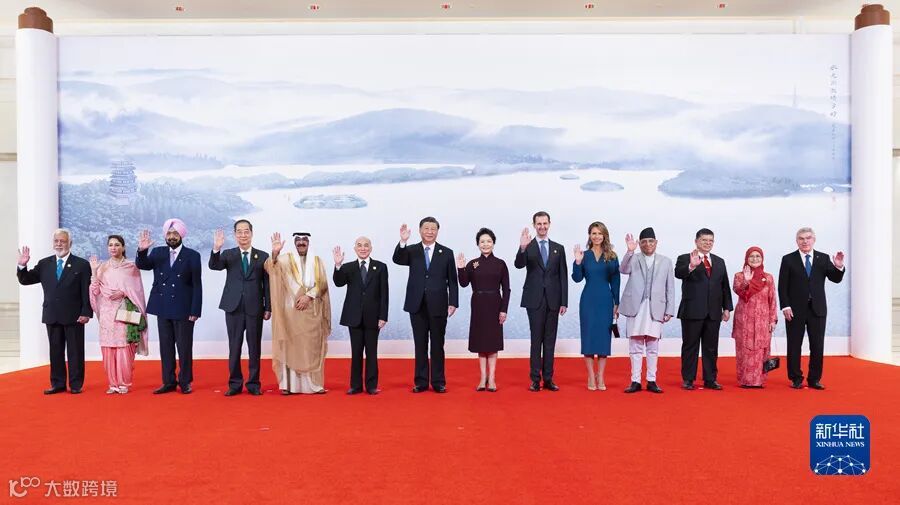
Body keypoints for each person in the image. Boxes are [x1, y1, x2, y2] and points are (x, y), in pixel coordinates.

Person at [16, 229, 92, 394]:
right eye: (56, 241)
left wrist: (86, 312)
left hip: (74, 315)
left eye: (62, 241)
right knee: (55, 351)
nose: (59, 244)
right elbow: (26, 280)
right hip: (52, 314)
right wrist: (22, 265)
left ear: (70, 243)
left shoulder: (81, 264)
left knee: (75, 352)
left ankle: (75, 384)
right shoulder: (44, 264)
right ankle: (57, 383)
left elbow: (86, 291)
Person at [135, 218, 203, 395]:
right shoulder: (158, 252)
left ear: (181, 235)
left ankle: (185, 382)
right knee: (165, 347)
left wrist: (195, 310)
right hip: (163, 306)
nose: (171, 236)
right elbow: (143, 265)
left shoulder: (193, 255)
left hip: (184, 308)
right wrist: (142, 251)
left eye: (175, 233)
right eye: (169, 233)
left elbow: (197, 285)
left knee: (184, 347)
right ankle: (168, 381)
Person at [393, 217, 458, 393]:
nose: (429, 232)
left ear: (437, 231)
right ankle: (421, 382)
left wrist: (453, 302)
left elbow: (452, 280)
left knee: (437, 345)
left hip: (439, 304)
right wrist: (403, 242)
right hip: (417, 304)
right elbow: (397, 259)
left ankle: (438, 382)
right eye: (426, 228)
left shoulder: (446, 252)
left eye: (433, 229)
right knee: (420, 344)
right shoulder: (412, 250)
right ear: (420, 230)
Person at [209, 220, 271, 396]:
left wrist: (268, 307)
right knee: (234, 347)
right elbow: (214, 266)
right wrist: (216, 249)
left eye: (246, 232)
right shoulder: (229, 254)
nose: (243, 235)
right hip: (233, 307)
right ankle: (235, 384)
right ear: (235, 234)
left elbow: (267, 284)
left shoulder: (263, 256)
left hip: (255, 308)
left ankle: (253, 384)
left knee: (254, 348)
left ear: (251, 233)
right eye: (239, 232)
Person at [778, 227, 845, 390]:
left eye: (808, 238)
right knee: (794, 345)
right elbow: (782, 286)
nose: (805, 241)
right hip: (794, 310)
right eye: (801, 238)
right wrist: (785, 306)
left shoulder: (823, 258)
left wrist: (838, 267)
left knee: (817, 345)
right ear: (797, 241)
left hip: (818, 309)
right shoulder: (788, 259)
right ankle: (796, 378)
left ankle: (814, 379)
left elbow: (835, 279)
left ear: (814, 240)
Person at [265, 232, 331, 394]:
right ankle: (289, 386)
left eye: (304, 240)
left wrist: (308, 296)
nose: (301, 243)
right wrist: (275, 253)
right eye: (298, 240)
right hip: (291, 313)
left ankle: (312, 385)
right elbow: (270, 267)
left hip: (311, 312)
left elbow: (322, 284)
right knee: (291, 348)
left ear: (309, 242)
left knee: (310, 349)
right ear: (294, 243)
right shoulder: (285, 259)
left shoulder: (317, 261)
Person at [89, 235, 149, 394]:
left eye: (117, 245)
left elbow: (137, 292)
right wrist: (94, 271)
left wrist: (123, 292)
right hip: (107, 314)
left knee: (124, 348)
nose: (113, 248)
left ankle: (124, 383)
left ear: (123, 247)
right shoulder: (102, 267)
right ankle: (112, 384)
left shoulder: (131, 267)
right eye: (110, 245)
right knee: (108, 348)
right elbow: (95, 291)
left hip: (124, 313)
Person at [515, 211, 568, 392]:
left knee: (550, 341)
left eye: (545, 223)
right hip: (534, 299)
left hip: (553, 300)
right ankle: (535, 379)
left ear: (549, 224)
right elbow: (518, 264)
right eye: (539, 224)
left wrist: (564, 301)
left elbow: (563, 276)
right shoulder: (528, 246)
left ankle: (549, 379)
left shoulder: (558, 248)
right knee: (536, 340)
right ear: (534, 225)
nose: (542, 227)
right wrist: (522, 248)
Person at [675, 228, 732, 390]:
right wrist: (691, 266)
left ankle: (710, 379)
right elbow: (678, 273)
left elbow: (724, 286)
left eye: (710, 241)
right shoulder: (685, 258)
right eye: (704, 240)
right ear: (696, 241)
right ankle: (688, 379)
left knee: (711, 347)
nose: (708, 243)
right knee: (690, 346)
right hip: (692, 310)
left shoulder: (719, 261)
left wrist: (727, 308)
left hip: (713, 312)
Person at [619, 227, 674, 394]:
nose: (648, 244)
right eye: (644, 242)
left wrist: (669, 309)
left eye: (651, 241)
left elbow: (670, 287)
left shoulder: (666, 261)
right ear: (640, 243)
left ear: (656, 242)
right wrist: (630, 251)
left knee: (652, 346)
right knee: (635, 345)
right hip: (635, 306)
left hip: (656, 307)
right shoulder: (634, 258)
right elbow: (623, 269)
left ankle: (651, 380)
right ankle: (635, 380)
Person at [456, 228, 510, 392]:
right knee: (481, 343)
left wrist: (503, 310)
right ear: (478, 244)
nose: (485, 244)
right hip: (478, 305)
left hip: (495, 305)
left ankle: (492, 378)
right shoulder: (473, 264)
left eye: (488, 241)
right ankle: (482, 378)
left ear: (493, 243)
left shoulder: (500, 264)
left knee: (492, 343)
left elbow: (506, 289)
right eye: (482, 242)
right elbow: (464, 283)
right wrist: (461, 268)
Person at [333, 236, 388, 395]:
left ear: (371, 248)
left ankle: (371, 386)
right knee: (356, 352)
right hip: (354, 316)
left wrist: (383, 316)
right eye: (359, 245)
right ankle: (355, 386)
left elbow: (384, 293)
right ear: (355, 248)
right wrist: (338, 265)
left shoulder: (380, 267)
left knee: (371, 352)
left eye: (366, 245)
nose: (363, 248)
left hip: (373, 317)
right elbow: (338, 282)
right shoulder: (348, 267)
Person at [572, 221, 620, 391]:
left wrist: (616, 302)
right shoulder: (583, 255)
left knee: (603, 339)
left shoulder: (612, 256)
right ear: (589, 235)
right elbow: (577, 278)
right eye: (594, 233)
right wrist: (577, 262)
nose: (597, 236)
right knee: (589, 338)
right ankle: (591, 376)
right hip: (588, 301)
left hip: (605, 301)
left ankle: (601, 376)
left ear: (604, 235)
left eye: (600, 233)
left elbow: (615, 280)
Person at [732, 246, 778, 388]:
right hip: (744, 319)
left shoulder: (768, 277)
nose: (755, 259)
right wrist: (747, 281)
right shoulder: (739, 276)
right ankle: (745, 380)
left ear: (762, 259)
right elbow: (739, 292)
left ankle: (759, 380)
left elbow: (772, 299)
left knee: (761, 349)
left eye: (758, 256)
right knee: (744, 349)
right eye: (751, 256)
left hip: (763, 320)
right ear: (746, 258)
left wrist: (773, 319)